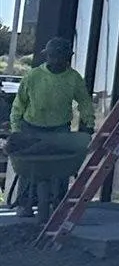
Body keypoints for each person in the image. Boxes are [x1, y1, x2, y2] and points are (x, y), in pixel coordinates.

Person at [7, 38, 93, 216]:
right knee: (29, 170)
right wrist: (16, 129)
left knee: (59, 170)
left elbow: (84, 102)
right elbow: (19, 104)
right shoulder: (34, 76)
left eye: (57, 57)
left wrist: (89, 123)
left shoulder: (73, 78)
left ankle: (58, 202)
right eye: (51, 56)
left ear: (66, 58)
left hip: (59, 130)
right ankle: (25, 202)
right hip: (32, 129)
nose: (54, 60)